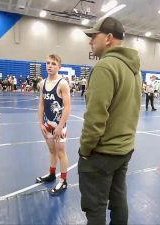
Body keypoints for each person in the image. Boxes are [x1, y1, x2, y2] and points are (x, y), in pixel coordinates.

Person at [79, 17, 141, 225]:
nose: (90, 42)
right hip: (124, 149)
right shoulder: (134, 69)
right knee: (118, 200)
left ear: (108, 38)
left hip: (103, 153)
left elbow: (95, 118)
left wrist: (85, 150)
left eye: (94, 37)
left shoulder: (105, 67)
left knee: (95, 207)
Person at [35, 54, 71, 196]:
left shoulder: (62, 83)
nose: (50, 66)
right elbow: (41, 104)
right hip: (47, 124)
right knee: (52, 151)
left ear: (59, 67)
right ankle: (51, 174)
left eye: (53, 64)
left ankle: (63, 180)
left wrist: (60, 126)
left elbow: (67, 107)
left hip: (59, 125)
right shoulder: (43, 83)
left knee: (61, 152)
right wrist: (41, 123)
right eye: (48, 63)